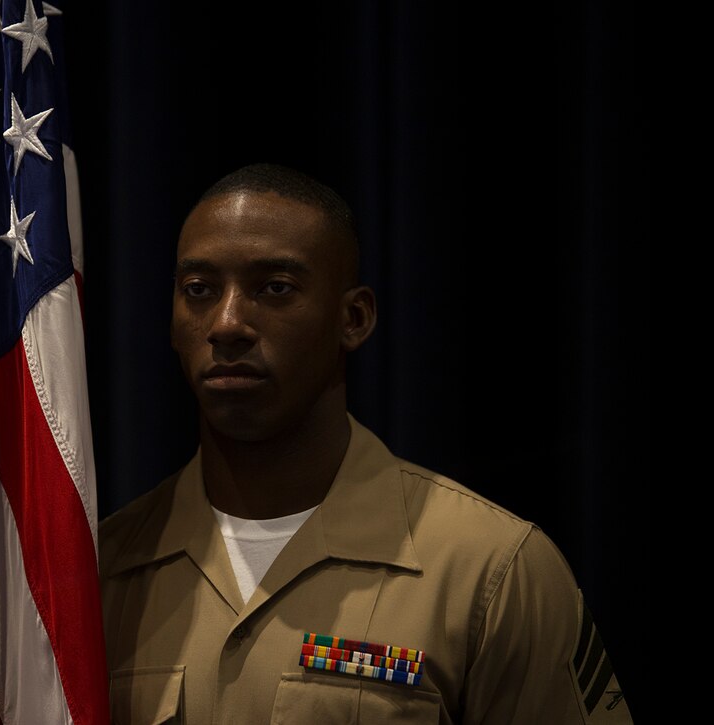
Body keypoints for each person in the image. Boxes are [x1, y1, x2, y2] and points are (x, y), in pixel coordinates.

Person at [98, 163, 631, 724]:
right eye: (199, 290)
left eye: (274, 288)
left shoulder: (489, 569)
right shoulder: (100, 573)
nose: (226, 323)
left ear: (353, 318)